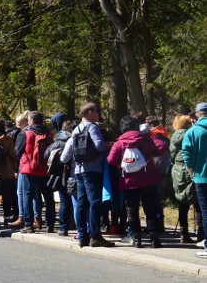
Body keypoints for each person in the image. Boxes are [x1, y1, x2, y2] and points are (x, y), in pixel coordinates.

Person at [107, 116, 168, 248]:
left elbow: (111, 160)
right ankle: (154, 239)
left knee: (132, 210)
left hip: (129, 181)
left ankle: (136, 239)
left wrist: (121, 163)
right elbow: (161, 148)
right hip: (148, 178)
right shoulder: (145, 139)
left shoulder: (119, 142)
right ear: (136, 126)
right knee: (150, 209)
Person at [60, 102, 114, 248]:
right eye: (96, 111)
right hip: (93, 169)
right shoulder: (92, 127)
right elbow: (98, 145)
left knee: (82, 204)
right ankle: (95, 236)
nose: (98, 114)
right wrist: (109, 144)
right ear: (89, 113)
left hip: (78, 170)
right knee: (95, 202)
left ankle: (82, 236)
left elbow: (67, 155)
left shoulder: (76, 129)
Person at [15, 112, 55, 234]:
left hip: (29, 169)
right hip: (45, 170)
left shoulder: (26, 133)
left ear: (31, 120)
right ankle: (50, 225)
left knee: (28, 197)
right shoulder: (48, 133)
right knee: (49, 198)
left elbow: (17, 152)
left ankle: (29, 225)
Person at [170, 114, 202, 244]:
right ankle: (201, 234)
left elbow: (171, 154)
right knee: (198, 203)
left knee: (182, 202)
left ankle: (184, 233)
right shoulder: (192, 134)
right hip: (192, 169)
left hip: (178, 171)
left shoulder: (174, 136)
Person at [182, 102, 207, 258]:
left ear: (198, 114)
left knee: (206, 213)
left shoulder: (192, 131)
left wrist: (192, 174)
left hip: (201, 177)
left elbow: (187, 156)